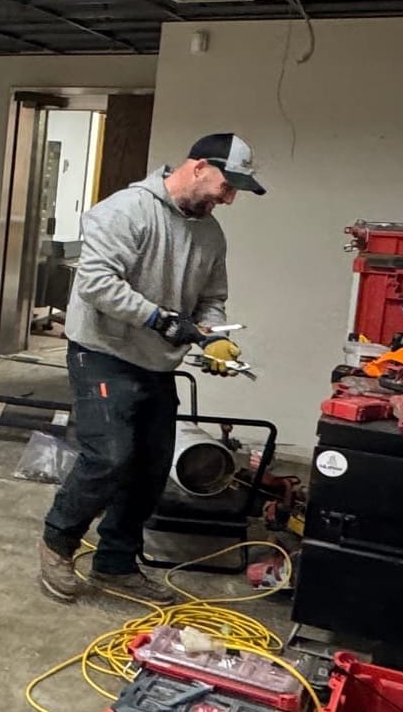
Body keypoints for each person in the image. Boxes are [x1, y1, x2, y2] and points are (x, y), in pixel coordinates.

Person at [37, 133, 264, 604]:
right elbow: (97, 284)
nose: (230, 198)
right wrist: (161, 319)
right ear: (199, 167)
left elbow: (211, 299)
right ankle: (56, 543)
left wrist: (216, 338)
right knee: (109, 457)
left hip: (155, 361)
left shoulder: (210, 233)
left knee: (151, 467)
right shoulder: (125, 211)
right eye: (227, 185)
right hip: (102, 350)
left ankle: (115, 563)